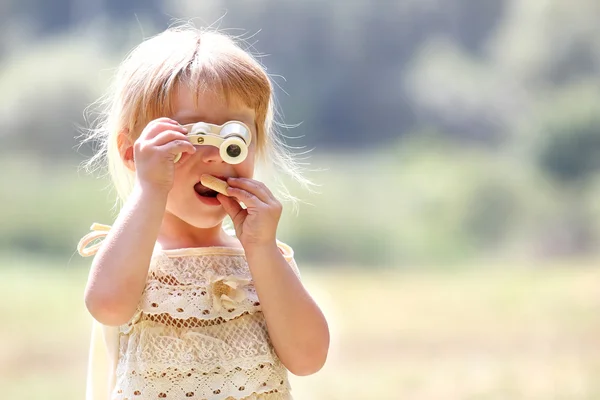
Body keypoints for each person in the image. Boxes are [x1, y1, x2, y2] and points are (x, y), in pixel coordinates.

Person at [76, 24, 330, 400]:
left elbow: (308, 358)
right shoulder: (131, 257)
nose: (213, 156)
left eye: (232, 139)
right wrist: (150, 190)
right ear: (134, 153)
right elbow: (107, 306)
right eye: (191, 138)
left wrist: (262, 249)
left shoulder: (264, 259)